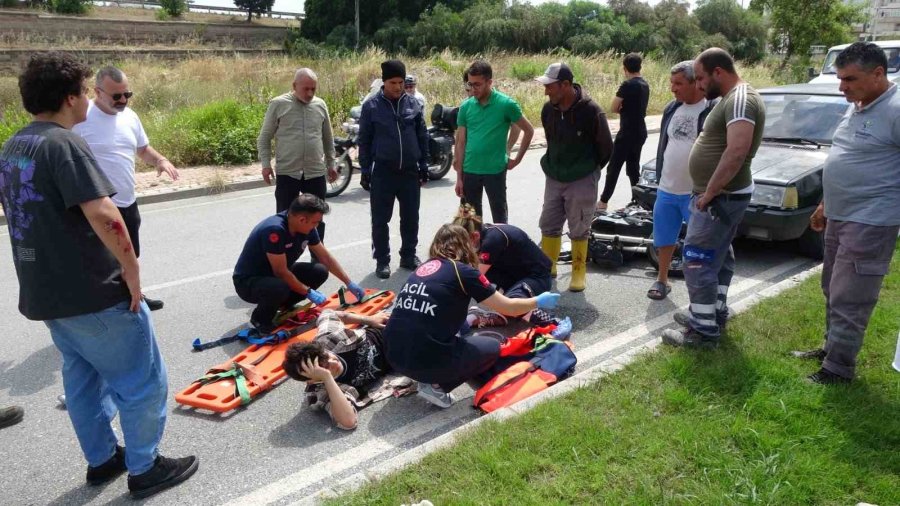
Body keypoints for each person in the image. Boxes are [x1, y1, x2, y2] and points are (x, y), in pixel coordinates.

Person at [0, 52, 197, 498]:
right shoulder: (64, 144)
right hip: (92, 290)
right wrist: (132, 274)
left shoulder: (13, 147)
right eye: (86, 90)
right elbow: (105, 214)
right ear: (70, 98)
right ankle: (145, 468)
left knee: (84, 379)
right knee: (143, 381)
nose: (89, 97)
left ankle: (103, 459)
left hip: (47, 295)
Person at [792, 42, 900, 384]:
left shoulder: (896, 109)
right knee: (833, 287)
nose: (842, 87)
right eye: (840, 78)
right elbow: (842, 158)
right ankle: (831, 348)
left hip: (871, 219)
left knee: (851, 295)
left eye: (849, 79)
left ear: (878, 74)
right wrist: (825, 205)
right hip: (840, 215)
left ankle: (838, 369)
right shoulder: (857, 105)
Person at [383, 224, 561, 408]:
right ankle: (436, 384)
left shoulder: (422, 269)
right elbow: (508, 308)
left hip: (393, 354)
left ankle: (427, 367)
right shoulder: (464, 272)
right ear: (465, 245)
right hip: (424, 360)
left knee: (463, 330)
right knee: (492, 346)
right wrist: (537, 301)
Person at [661, 48, 765, 349]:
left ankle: (702, 331)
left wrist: (709, 192)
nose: (700, 83)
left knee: (697, 260)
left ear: (718, 72)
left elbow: (737, 150)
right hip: (723, 196)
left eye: (703, 78)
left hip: (720, 198)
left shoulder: (741, 100)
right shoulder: (733, 99)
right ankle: (711, 312)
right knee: (719, 256)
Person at [73, 66, 178, 312]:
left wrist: (160, 160)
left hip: (127, 201)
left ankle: (135, 295)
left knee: (130, 255)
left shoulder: (130, 116)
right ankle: (105, 309)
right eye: (116, 96)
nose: (123, 101)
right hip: (96, 206)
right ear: (97, 92)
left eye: (127, 95)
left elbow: (142, 149)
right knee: (101, 262)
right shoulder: (80, 116)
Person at [232, 194, 365, 334]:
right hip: (249, 282)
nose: (317, 225)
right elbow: (280, 272)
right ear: (302, 219)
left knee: (319, 271)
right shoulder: (274, 230)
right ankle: (260, 319)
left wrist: (349, 283)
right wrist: (307, 291)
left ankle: (282, 305)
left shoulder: (307, 228)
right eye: (315, 222)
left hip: (275, 275)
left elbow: (325, 257)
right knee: (280, 286)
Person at [535, 62, 614, 293]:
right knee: (548, 222)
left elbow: (606, 148)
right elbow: (550, 140)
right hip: (554, 175)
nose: (546, 91)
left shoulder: (591, 111)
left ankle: (579, 272)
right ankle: (548, 267)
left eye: (550, 86)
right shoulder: (548, 109)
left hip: (582, 177)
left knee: (579, 225)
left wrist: (590, 170)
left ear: (566, 85)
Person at [647, 61, 716, 300]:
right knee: (664, 239)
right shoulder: (671, 108)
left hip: (695, 192)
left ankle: (703, 292)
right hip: (667, 188)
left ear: (695, 82)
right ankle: (662, 280)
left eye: (678, 83)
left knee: (701, 245)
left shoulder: (710, 109)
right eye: (671, 83)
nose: (673, 89)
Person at [358, 60, 431, 279]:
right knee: (381, 220)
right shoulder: (371, 107)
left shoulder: (413, 104)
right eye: (393, 82)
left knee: (411, 217)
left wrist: (424, 164)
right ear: (384, 81)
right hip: (383, 172)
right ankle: (382, 260)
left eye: (401, 82)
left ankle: (408, 256)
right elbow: (365, 141)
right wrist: (365, 170)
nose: (398, 87)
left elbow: (422, 136)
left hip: (409, 172)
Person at [257, 68, 337, 262]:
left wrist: (331, 163)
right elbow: (264, 136)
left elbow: (328, 137)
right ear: (294, 86)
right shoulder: (278, 104)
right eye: (305, 89)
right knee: (285, 219)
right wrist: (266, 164)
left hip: (314, 172)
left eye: (313, 89)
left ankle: (317, 262)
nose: (310, 94)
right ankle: (283, 262)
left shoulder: (320, 105)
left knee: (317, 218)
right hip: (288, 172)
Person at [451, 204, 559, 328]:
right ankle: (505, 308)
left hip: (537, 277)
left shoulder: (492, 240)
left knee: (510, 308)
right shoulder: (483, 233)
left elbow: (473, 279)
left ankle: (550, 321)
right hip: (514, 273)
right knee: (475, 272)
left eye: (463, 244)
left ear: (475, 236)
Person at [282, 309, 391, 430]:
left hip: (387, 331)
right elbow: (349, 422)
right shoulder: (322, 390)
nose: (333, 362)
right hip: (400, 358)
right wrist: (328, 377)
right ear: (311, 380)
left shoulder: (327, 339)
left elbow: (327, 313)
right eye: (325, 367)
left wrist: (369, 319)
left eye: (327, 356)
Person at [454, 60, 534, 224]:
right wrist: (459, 177)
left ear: (489, 82)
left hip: (495, 171)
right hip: (470, 171)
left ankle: (501, 249)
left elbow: (528, 130)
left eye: (478, 84)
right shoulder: (465, 107)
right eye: (470, 84)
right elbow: (460, 143)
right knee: (469, 222)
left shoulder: (506, 104)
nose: (473, 89)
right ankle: (475, 250)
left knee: (500, 220)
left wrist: (517, 159)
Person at [597, 52, 650, 211]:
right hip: (640, 131)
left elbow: (614, 107)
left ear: (625, 68)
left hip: (627, 132)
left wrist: (623, 109)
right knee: (633, 168)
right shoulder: (645, 84)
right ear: (640, 66)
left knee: (613, 167)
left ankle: (603, 202)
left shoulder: (627, 85)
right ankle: (638, 200)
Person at [459, 70, 521, 160]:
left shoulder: (502, 103)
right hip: (471, 162)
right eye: (468, 89)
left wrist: (507, 148)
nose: (471, 92)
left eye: (476, 85)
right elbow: (461, 136)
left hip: (495, 163)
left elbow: (517, 125)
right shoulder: (465, 106)